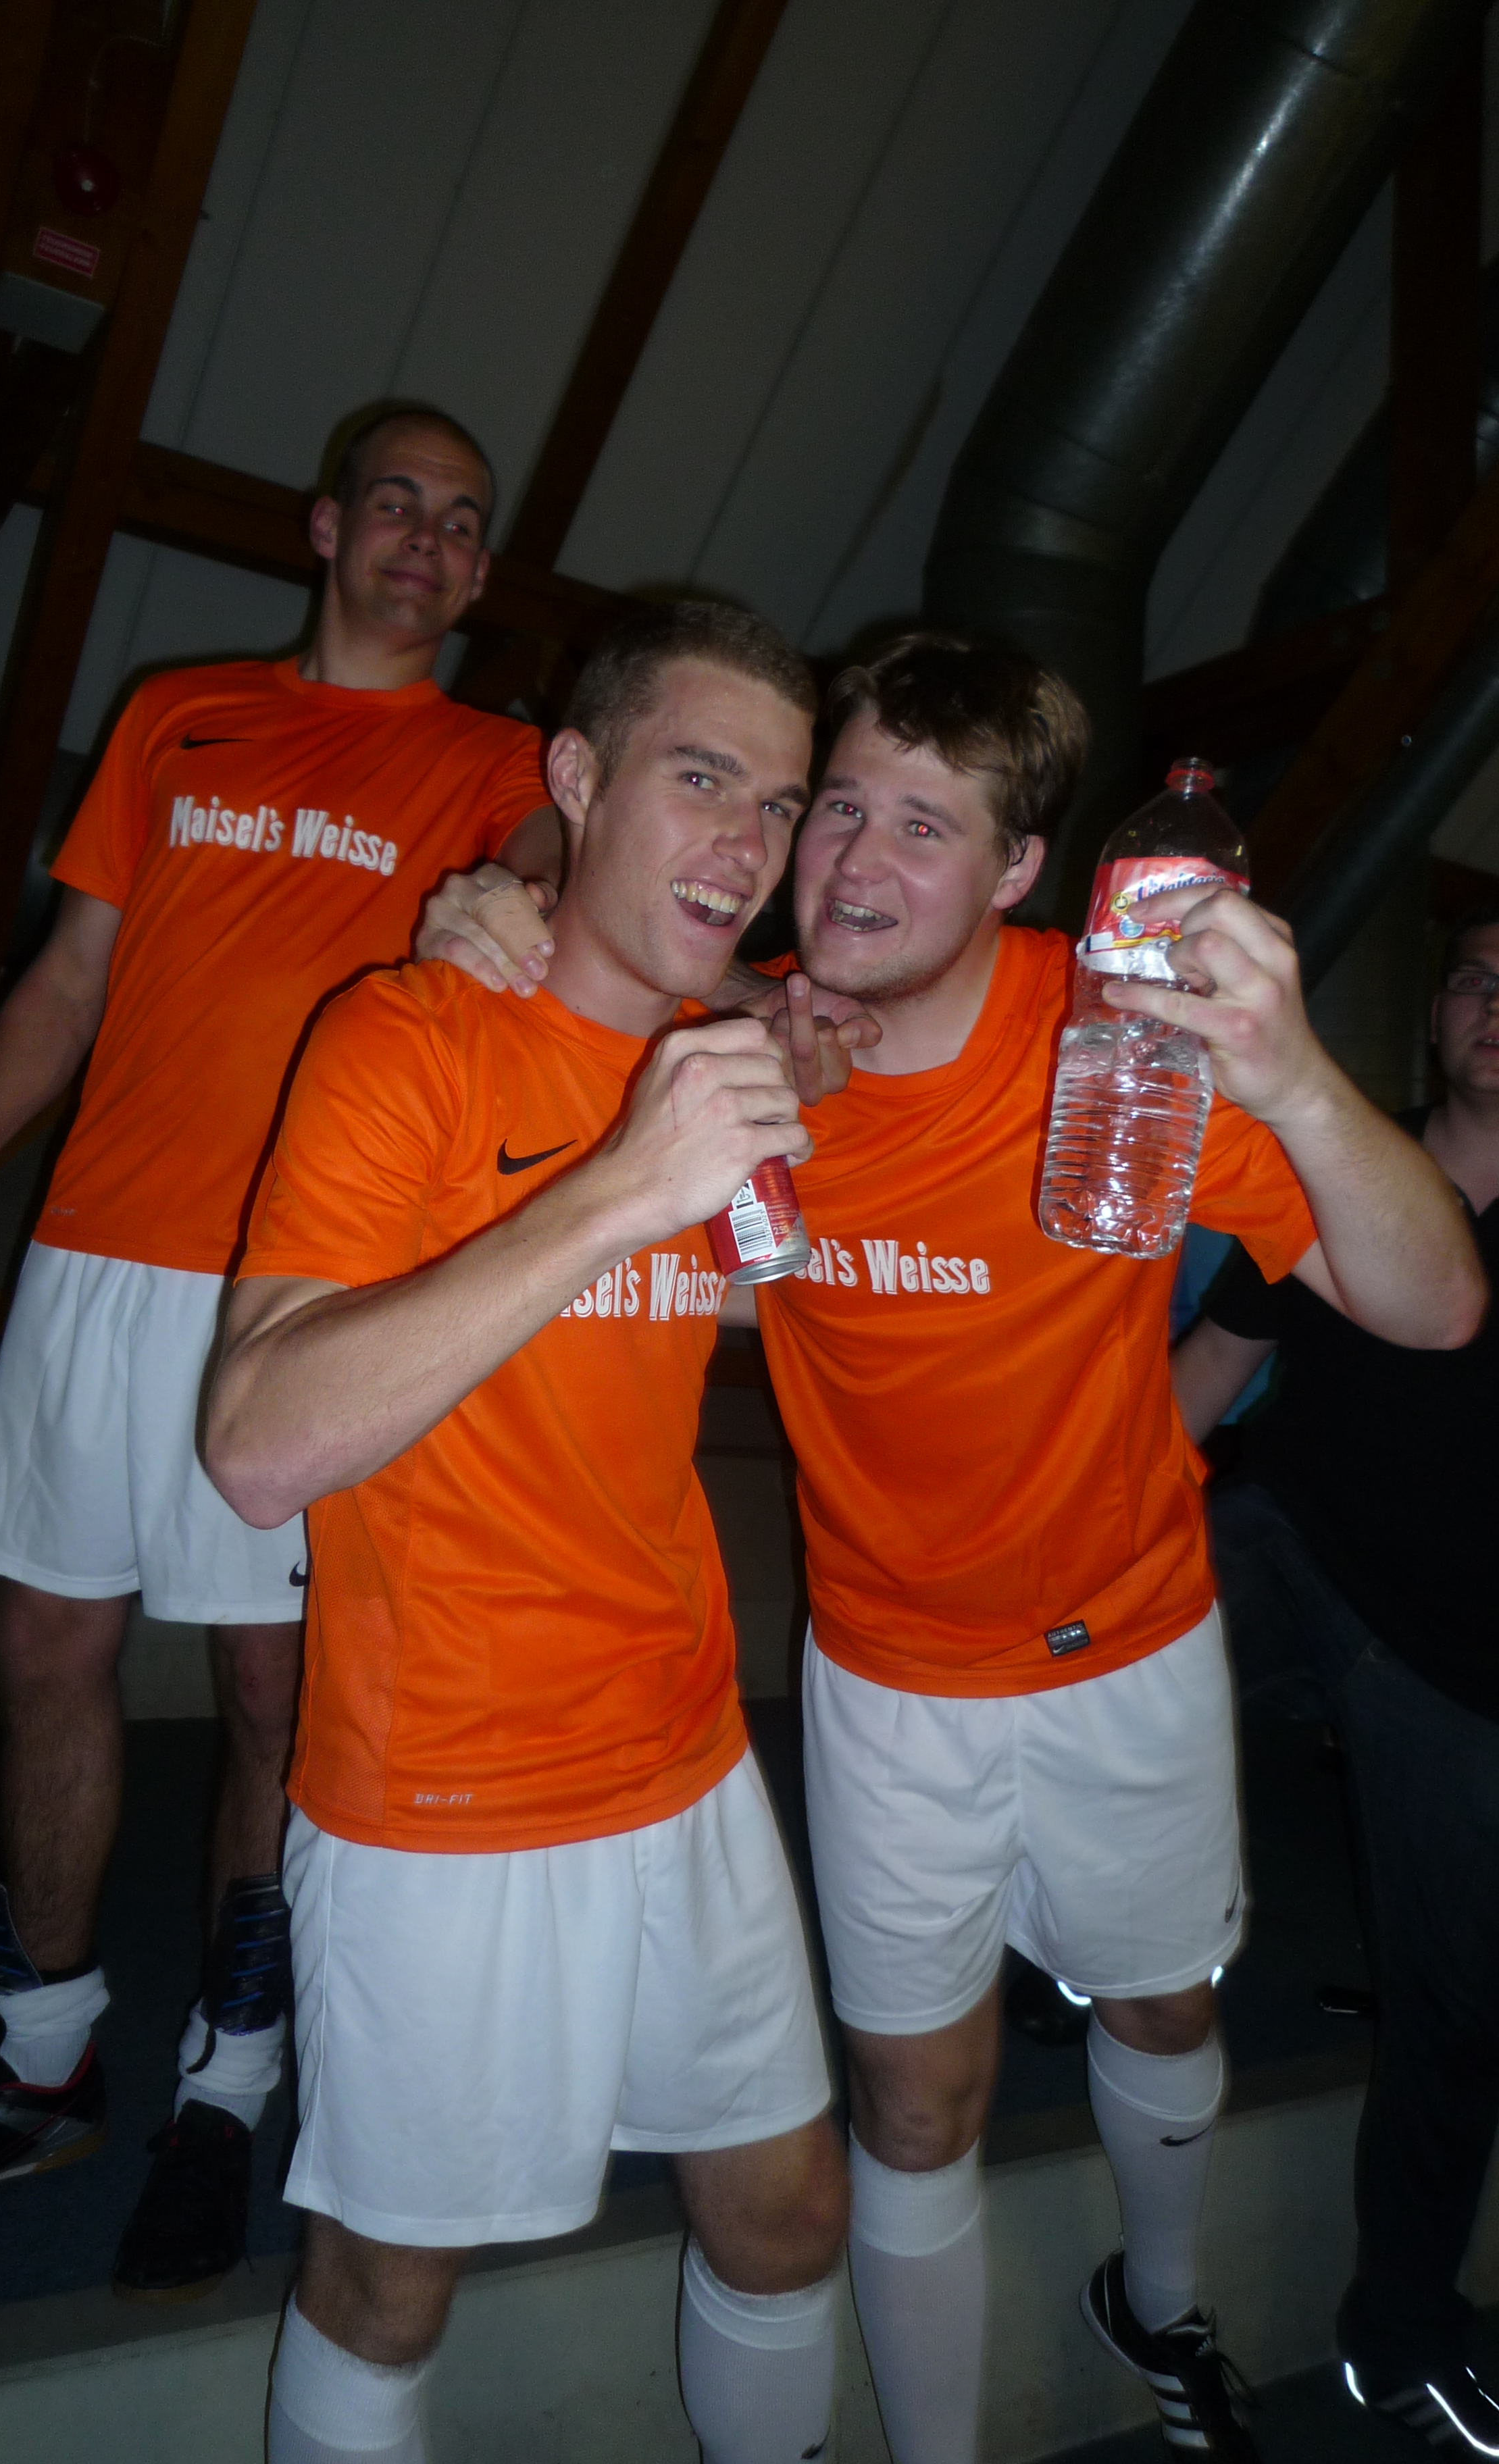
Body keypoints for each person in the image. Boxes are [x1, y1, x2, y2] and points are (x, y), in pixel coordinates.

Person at [431, 631, 1484, 2461]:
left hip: (1130, 1644)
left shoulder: (1123, 1035)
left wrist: (1302, 1081)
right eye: (839, 806)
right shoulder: (737, 1057)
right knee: (916, 2110)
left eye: (923, 828)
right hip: (890, 1677)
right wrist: (489, 909)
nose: (852, 860)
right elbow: (544, 1026)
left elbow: (1437, 1306)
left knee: (1161, 2012)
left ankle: (1160, 2303)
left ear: (1018, 873)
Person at [0, 403, 557, 2299]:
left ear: (481, 572)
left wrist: (522, 894)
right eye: (397, 503)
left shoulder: (500, 765)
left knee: (270, 1698)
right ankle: (43, 2060)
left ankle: (228, 2089)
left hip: (306, 1283)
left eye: (463, 523)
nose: (426, 540)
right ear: (327, 527)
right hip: (96, 1257)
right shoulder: (179, 715)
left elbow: (562, 888)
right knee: (45, 1647)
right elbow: (69, 977)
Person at [203, 600, 847, 2464]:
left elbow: (712, 1310)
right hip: (448, 1785)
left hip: (682, 1746)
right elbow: (254, 1446)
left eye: (778, 803)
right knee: (387, 2288)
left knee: (788, 2218)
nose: (745, 842)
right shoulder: (407, 1034)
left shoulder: (725, 1064)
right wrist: (621, 1187)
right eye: (700, 778)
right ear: (576, 775)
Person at [1172, 902, 1499, 2456]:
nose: (1498, 1006)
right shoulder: (1330, 1177)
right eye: (1478, 980)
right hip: (1288, 1559)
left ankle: (1402, 2338)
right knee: (1129, 1604)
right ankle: (1074, 1939)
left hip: (1454, 1654)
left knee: (1463, 2010)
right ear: (1435, 1015)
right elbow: (1202, 1378)